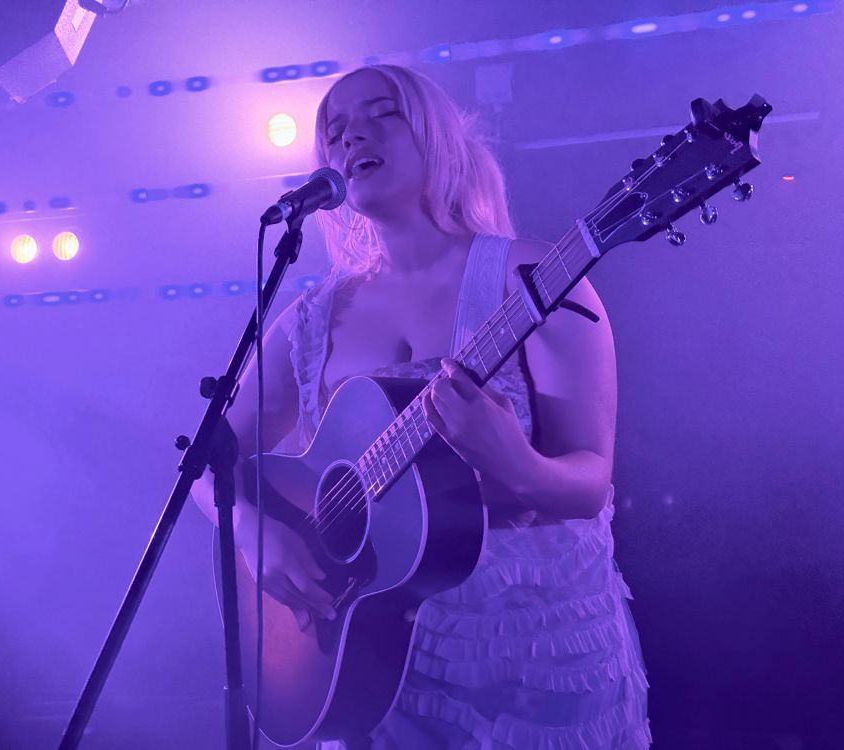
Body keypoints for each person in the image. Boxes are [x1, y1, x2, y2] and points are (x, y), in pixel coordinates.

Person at [192, 64, 650, 749]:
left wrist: (516, 464)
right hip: (364, 661)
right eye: (335, 131)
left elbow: (590, 482)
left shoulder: (537, 279)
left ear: (437, 137)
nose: (352, 137)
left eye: (383, 114)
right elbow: (207, 461)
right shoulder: (313, 315)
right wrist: (257, 535)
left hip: (531, 658)